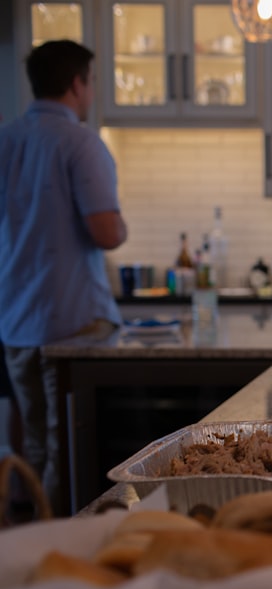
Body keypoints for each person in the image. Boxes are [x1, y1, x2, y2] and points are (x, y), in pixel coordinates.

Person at [0, 40, 128, 513]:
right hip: (73, 320)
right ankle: (60, 544)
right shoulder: (80, 143)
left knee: (34, 438)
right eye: (91, 81)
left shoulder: (5, 139)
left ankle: (30, 535)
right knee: (67, 444)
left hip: (15, 317)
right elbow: (107, 231)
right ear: (78, 83)